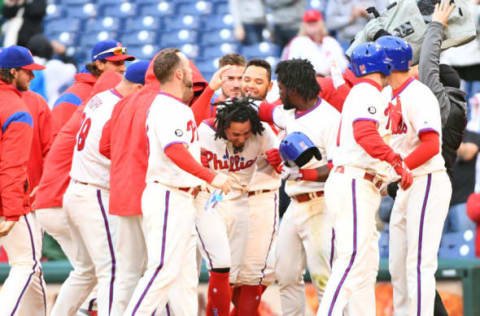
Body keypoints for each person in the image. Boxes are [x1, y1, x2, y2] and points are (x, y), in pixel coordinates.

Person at [123, 48, 231, 315]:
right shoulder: (167, 107)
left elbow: (189, 126)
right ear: (179, 73)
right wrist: (211, 176)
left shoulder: (174, 107)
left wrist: (209, 91)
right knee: (162, 270)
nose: (193, 74)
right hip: (168, 195)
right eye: (188, 69)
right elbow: (175, 150)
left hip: (180, 197)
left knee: (184, 278)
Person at [318, 42, 412, 316]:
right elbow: (365, 135)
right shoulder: (366, 91)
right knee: (351, 260)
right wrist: (395, 160)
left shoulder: (365, 92)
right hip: (353, 182)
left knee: (366, 265)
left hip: (358, 183)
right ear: (383, 64)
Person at [59, 62, 148, 316]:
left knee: (84, 272)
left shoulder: (100, 98)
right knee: (112, 269)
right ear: (140, 87)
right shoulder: (117, 107)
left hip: (77, 190)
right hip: (96, 192)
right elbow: (112, 153)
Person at [33, 71, 123, 316]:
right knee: (108, 268)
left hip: (58, 200)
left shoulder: (88, 110)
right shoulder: (97, 112)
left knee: (87, 271)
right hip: (64, 200)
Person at [257, 58, 340, 315]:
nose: (277, 92)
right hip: (295, 205)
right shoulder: (289, 112)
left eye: (281, 87)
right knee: (286, 274)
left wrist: (304, 172)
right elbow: (264, 111)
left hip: (321, 204)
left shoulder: (331, 119)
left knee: (323, 279)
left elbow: (337, 168)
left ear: (293, 89)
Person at [377, 35, 451, 316]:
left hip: (427, 180)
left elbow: (431, 146)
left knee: (418, 265)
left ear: (387, 64)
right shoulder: (386, 95)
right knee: (397, 266)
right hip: (406, 184)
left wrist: (397, 170)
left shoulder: (418, 94)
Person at [196, 97, 279, 316]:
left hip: (242, 198)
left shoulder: (262, 133)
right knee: (222, 266)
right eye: (235, 134)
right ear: (223, 127)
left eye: (245, 133)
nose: (241, 138)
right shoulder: (204, 132)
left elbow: (282, 162)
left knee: (247, 274)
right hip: (211, 198)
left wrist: (280, 160)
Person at [0, 45, 47, 316]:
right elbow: (12, 166)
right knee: (26, 264)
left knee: (32, 270)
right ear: (13, 72)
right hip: (11, 200)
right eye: (28, 72)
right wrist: (14, 211)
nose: (32, 77)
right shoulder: (17, 109)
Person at [51, 40, 134, 136]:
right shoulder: (71, 98)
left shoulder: (118, 93)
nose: (123, 68)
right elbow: (57, 141)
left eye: (123, 63)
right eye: (117, 63)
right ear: (99, 64)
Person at [282, 9, 348, 77]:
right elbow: (288, 68)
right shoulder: (297, 42)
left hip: (330, 81)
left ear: (321, 23)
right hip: (306, 83)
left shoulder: (331, 42)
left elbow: (343, 64)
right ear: (304, 25)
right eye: (309, 23)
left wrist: (333, 68)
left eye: (314, 22)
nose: (312, 25)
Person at [27, 34, 76, 107]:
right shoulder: (53, 65)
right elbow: (73, 69)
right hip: (46, 109)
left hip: (27, 108)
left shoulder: (23, 65)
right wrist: (63, 53)